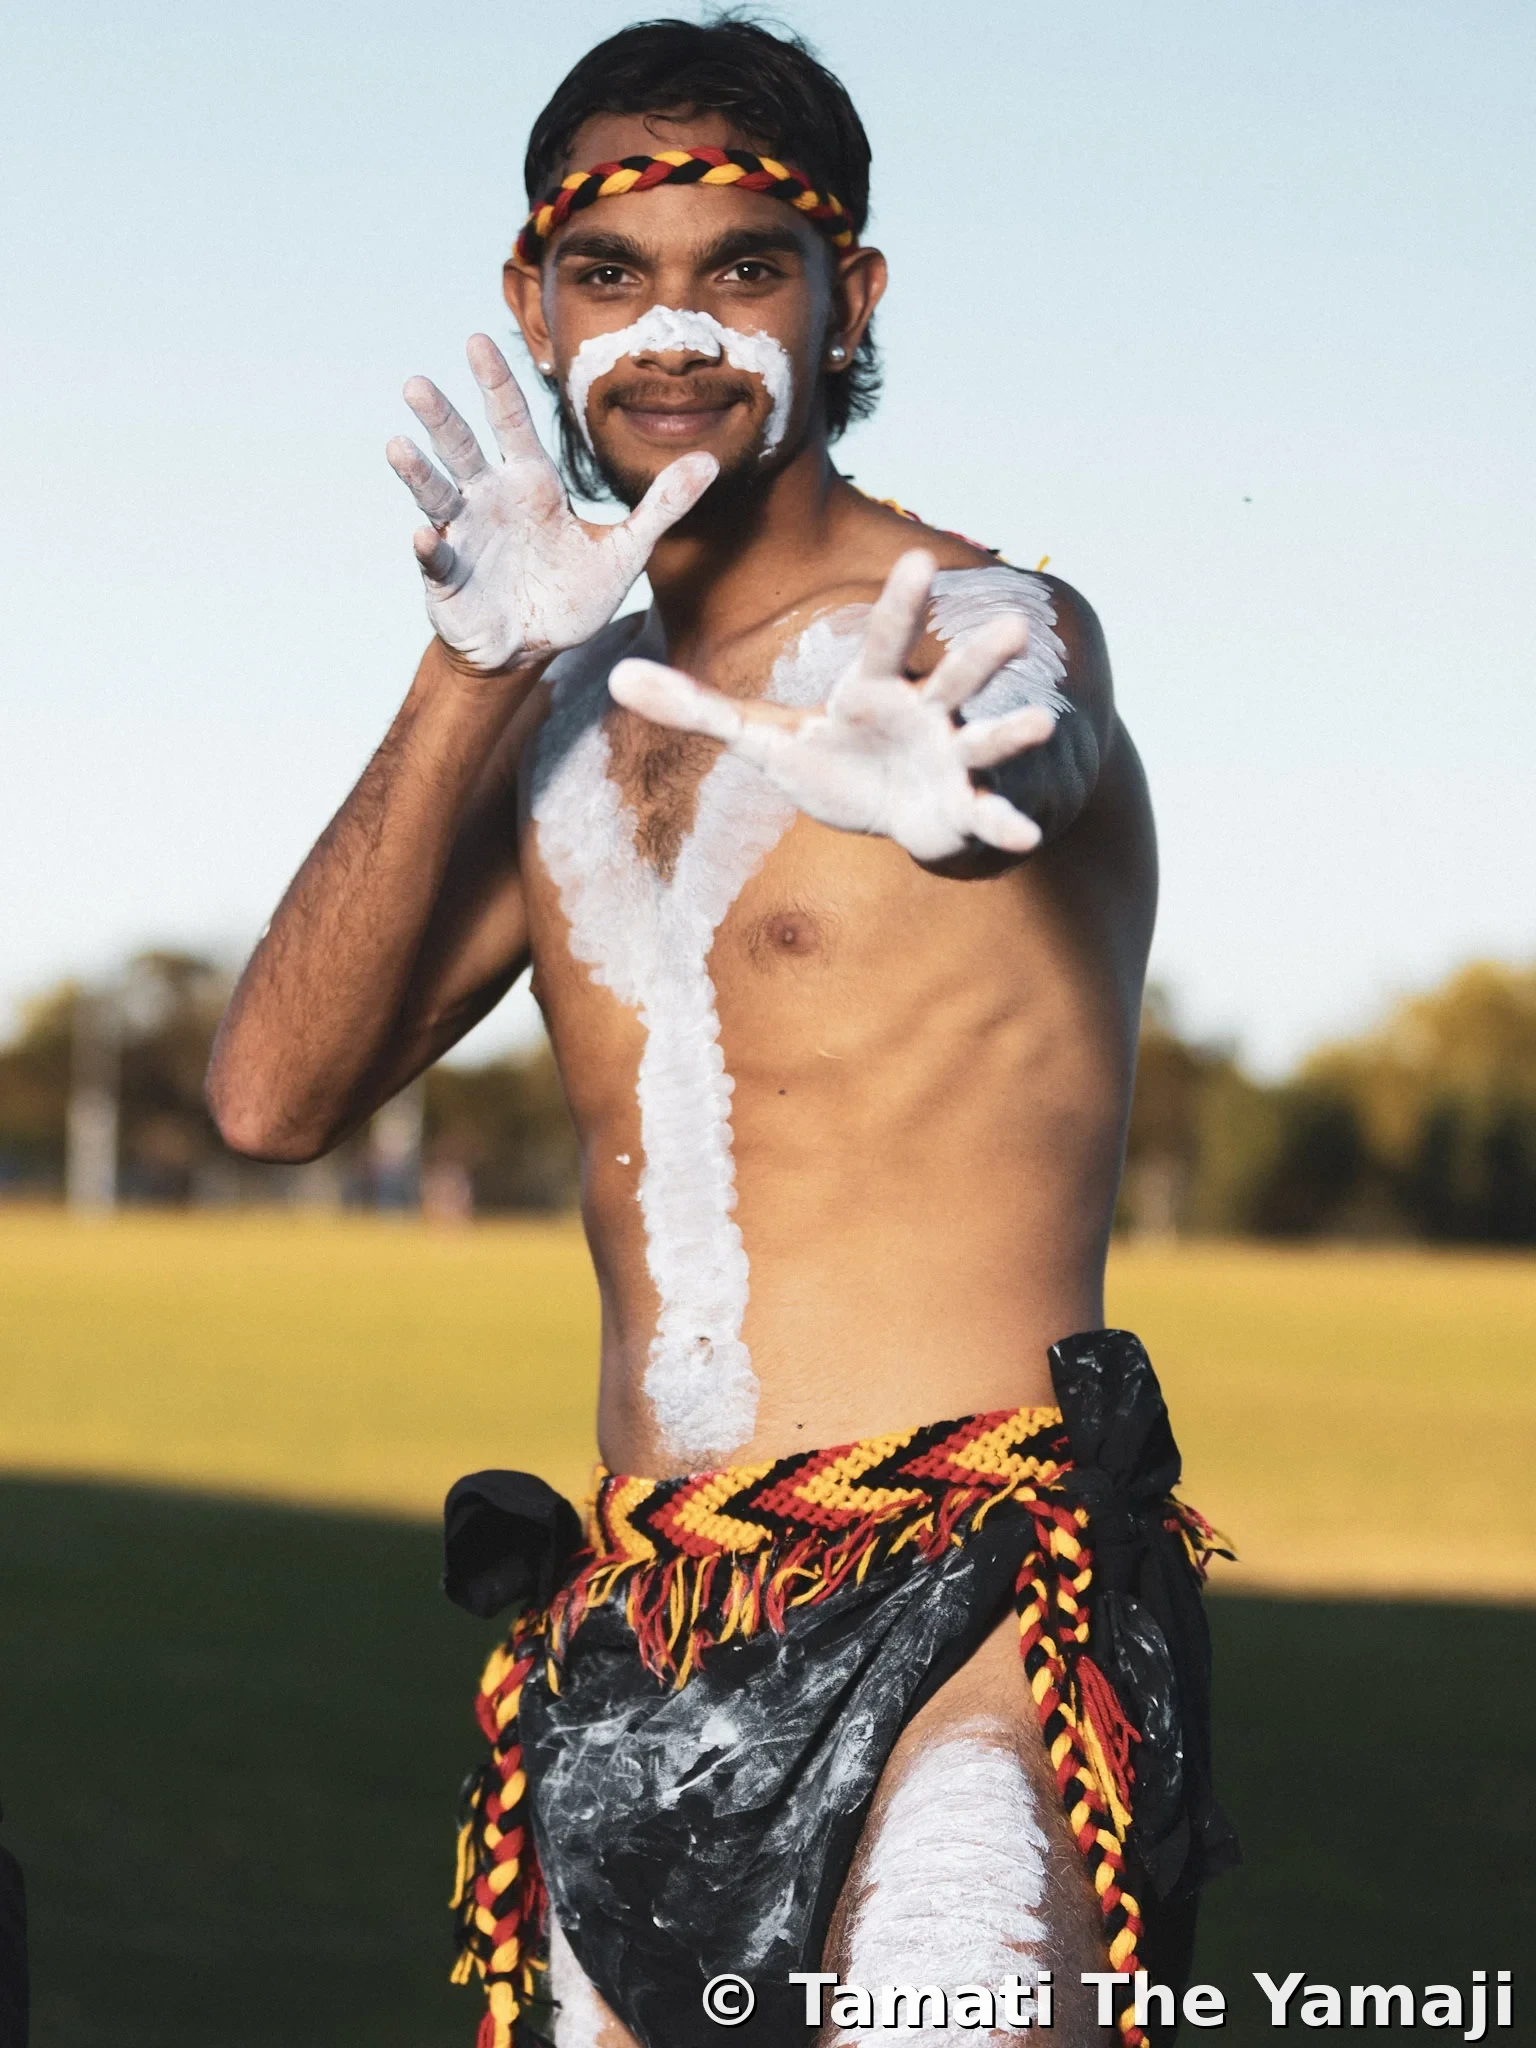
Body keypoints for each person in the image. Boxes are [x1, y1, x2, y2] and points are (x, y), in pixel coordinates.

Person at [207, 18, 1237, 2047]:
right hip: (643, 1663)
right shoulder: (559, 718)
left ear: (849, 293)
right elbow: (269, 1095)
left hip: (966, 1648)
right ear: (535, 303)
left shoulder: (971, 617)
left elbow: (1029, 729)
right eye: (612, 274)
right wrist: (467, 666)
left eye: (743, 266)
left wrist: (984, 774)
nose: (673, 328)